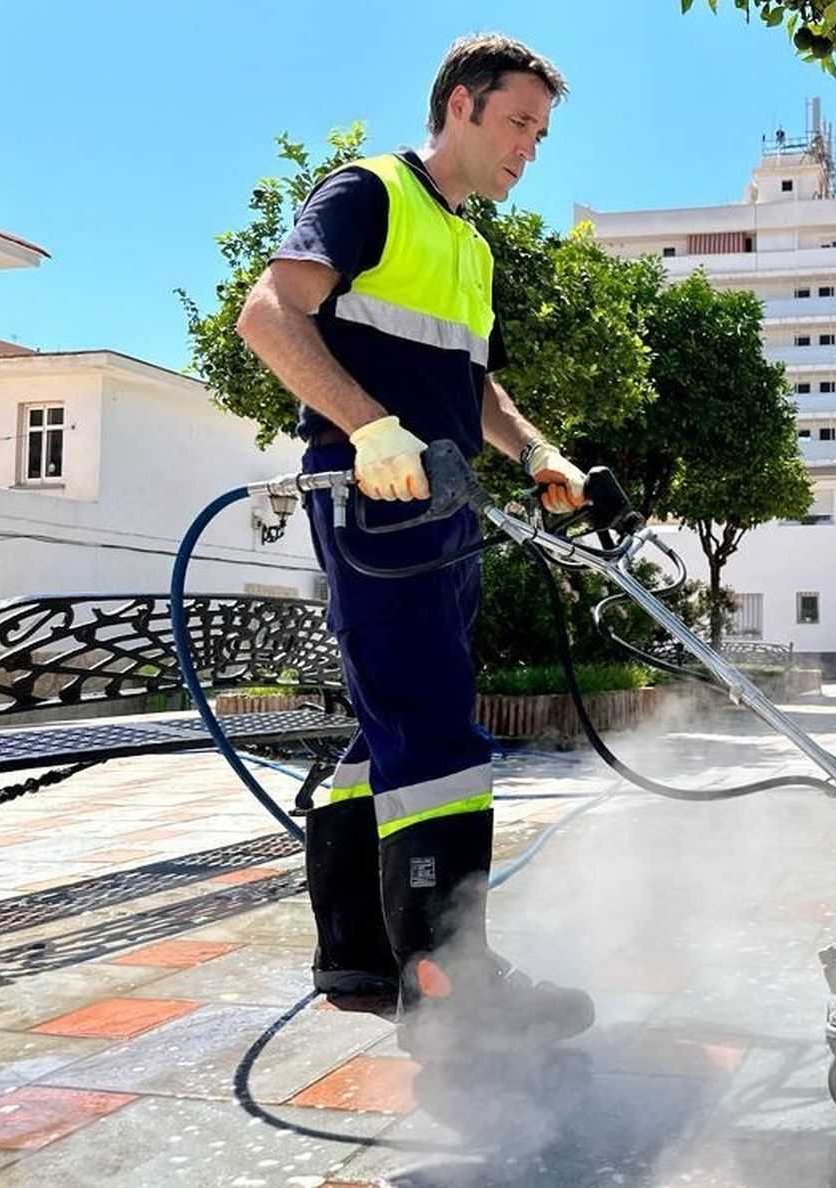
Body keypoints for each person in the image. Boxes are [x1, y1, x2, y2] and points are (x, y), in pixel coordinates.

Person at [235, 33, 595, 1050]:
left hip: (444, 508)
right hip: (371, 500)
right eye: (518, 122)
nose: (530, 147)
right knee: (434, 723)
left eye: (541, 132)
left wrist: (538, 453)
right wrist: (370, 426)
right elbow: (268, 316)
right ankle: (455, 975)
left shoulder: (472, 247)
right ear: (461, 107)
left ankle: (358, 949)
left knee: (391, 719)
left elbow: (472, 387)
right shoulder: (370, 191)